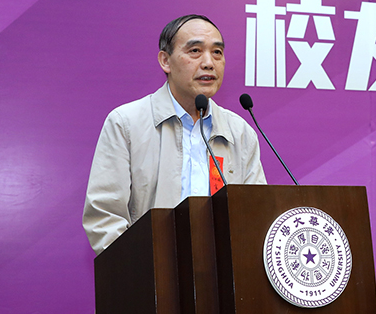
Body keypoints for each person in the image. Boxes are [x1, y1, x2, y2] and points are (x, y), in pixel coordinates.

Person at [83, 14, 267, 255]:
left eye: (217, 52)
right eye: (195, 51)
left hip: (223, 273)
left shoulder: (240, 132)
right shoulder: (127, 123)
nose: (209, 63)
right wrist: (144, 268)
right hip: (150, 271)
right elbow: (105, 217)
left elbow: (255, 214)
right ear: (165, 61)